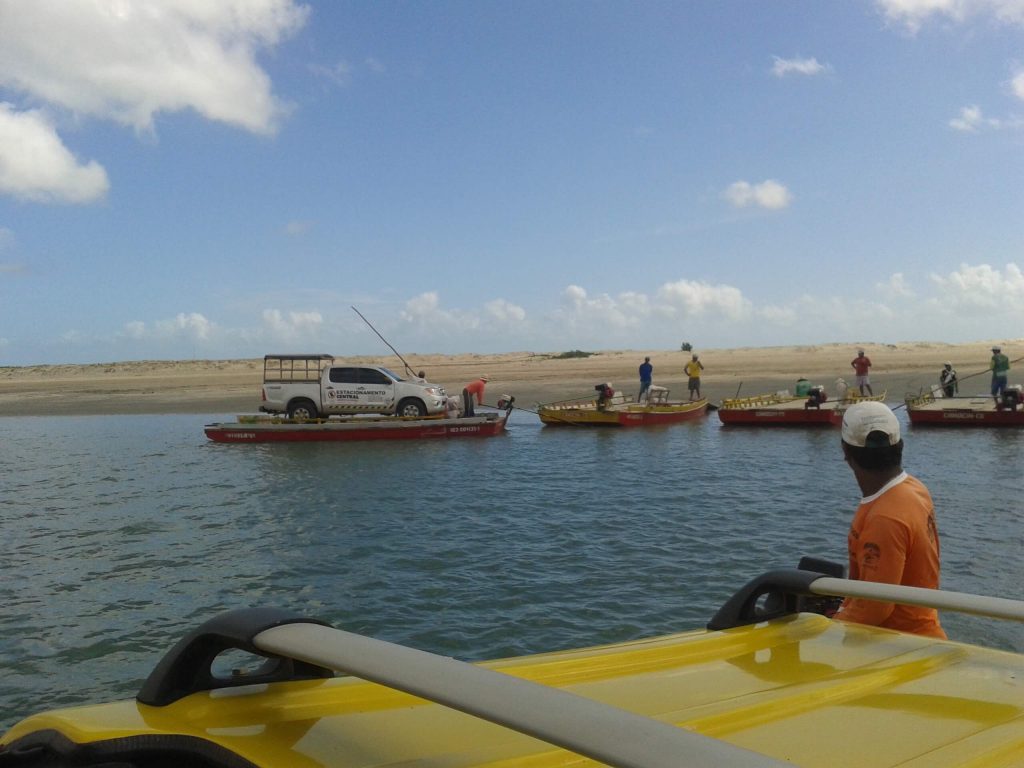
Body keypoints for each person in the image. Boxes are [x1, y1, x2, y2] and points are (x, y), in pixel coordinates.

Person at [832, 401, 946, 639]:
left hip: (899, 646)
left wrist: (829, 630)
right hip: (921, 636)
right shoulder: (914, 488)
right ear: (899, 445)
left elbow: (875, 609)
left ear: (845, 452)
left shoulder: (885, 518)